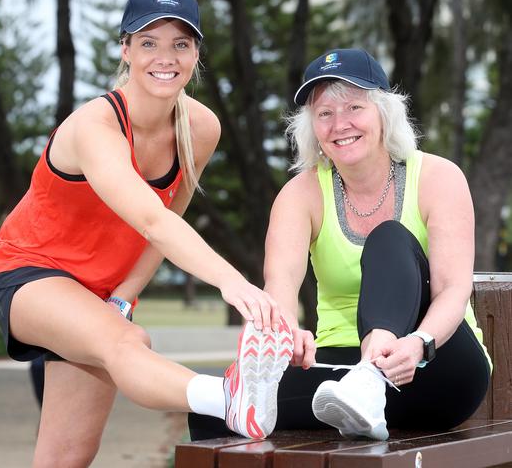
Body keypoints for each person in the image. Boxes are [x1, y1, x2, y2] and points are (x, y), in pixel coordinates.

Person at [0, 0, 293, 466]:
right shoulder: (96, 126)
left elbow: (171, 214)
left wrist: (125, 294)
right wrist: (234, 283)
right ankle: (232, 399)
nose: (164, 57)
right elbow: (150, 220)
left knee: (66, 459)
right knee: (130, 342)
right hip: (30, 273)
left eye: (180, 43)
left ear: (196, 53)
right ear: (125, 49)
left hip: (100, 290)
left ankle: (238, 400)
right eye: (148, 42)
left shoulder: (200, 128)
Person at [189, 48, 491, 441]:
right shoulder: (301, 195)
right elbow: (279, 288)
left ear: (384, 113)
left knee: (388, 238)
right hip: (340, 372)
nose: (340, 124)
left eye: (354, 107)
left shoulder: (438, 177)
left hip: (434, 361)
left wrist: (419, 343)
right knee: (214, 414)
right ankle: (363, 384)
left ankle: (370, 379)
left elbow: (453, 288)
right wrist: (287, 331)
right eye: (324, 114)